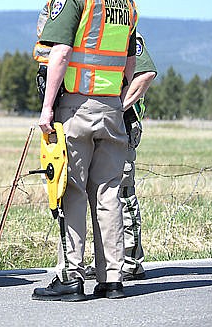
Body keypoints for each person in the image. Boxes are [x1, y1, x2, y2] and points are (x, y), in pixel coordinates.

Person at [31, 0, 137, 302]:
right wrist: (118, 97)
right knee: (109, 193)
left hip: (76, 106)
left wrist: (47, 109)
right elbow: (130, 60)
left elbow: (59, 53)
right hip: (111, 106)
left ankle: (72, 276)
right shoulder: (124, 0)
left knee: (71, 188)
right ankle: (112, 279)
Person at [85, 33, 157, 281]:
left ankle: (130, 260)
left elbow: (145, 73)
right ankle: (107, 260)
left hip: (121, 123)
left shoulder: (127, 32)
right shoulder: (93, 32)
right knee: (100, 195)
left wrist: (117, 108)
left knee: (121, 192)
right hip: (97, 121)